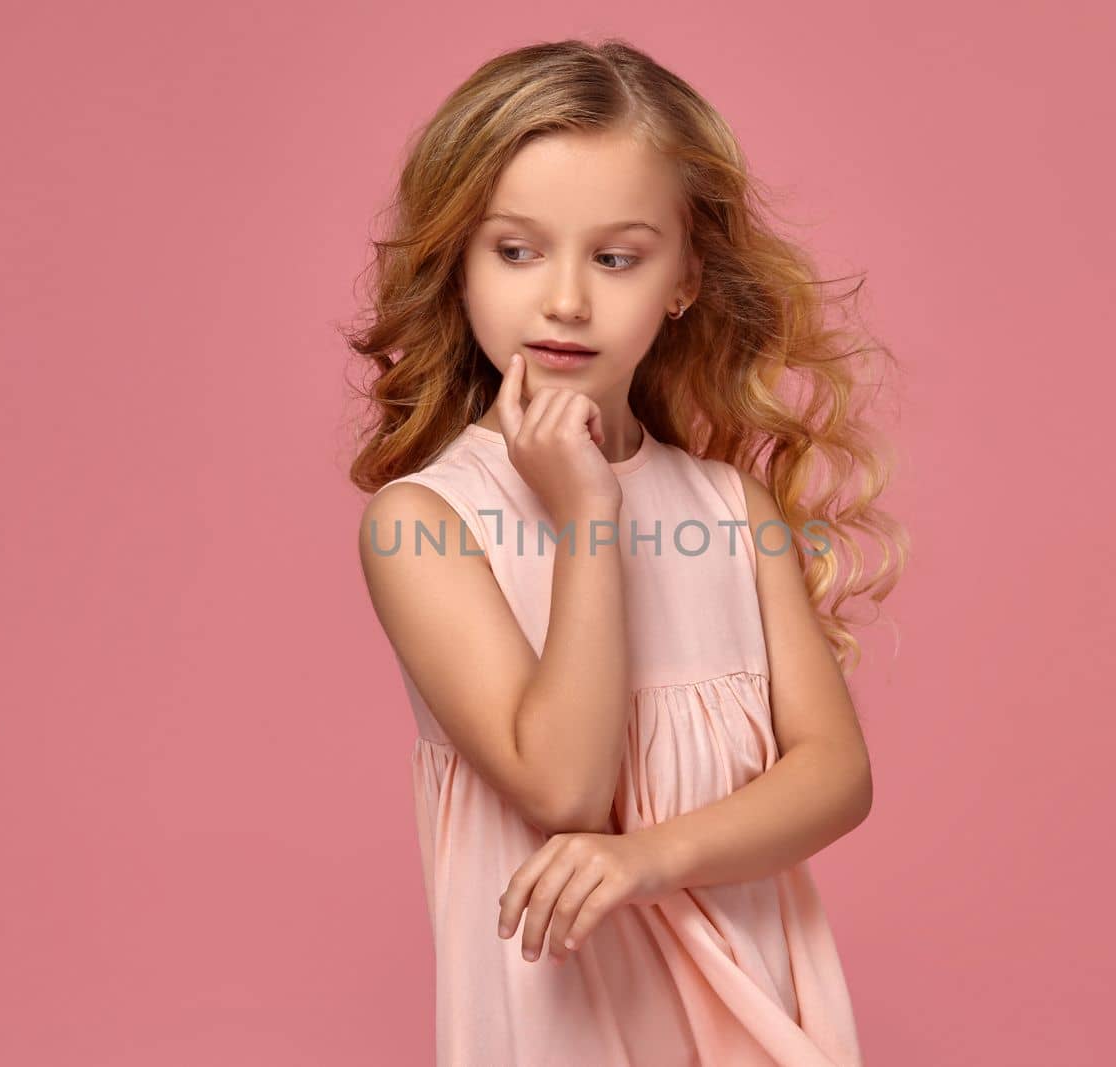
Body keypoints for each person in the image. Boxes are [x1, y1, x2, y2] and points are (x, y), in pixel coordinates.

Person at [348, 37, 908, 1066]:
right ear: (457, 263)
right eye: (516, 250)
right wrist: (587, 515)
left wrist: (651, 857)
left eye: (615, 257)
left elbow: (835, 773)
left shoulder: (728, 510)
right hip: (562, 1023)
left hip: (749, 1008)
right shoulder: (423, 523)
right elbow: (561, 784)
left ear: (684, 278)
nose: (565, 299)